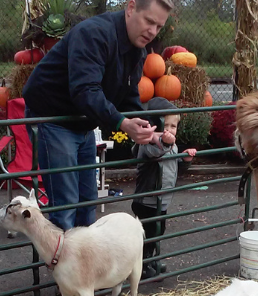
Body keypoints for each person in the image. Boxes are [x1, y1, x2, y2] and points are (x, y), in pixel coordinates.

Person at [23, 0, 174, 231]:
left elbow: (129, 97)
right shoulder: (94, 34)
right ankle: (60, 267)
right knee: (64, 206)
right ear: (131, 8)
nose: (152, 32)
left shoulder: (137, 49)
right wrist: (121, 122)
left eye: (159, 27)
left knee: (87, 204)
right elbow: (85, 91)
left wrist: (147, 130)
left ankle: (84, 266)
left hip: (82, 122)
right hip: (52, 118)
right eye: (149, 21)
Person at [131, 97, 197, 279]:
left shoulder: (173, 145)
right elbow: (155, 153)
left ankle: (152, 260)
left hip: (163, 201)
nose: (168, 130)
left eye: (172, 127)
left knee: (158, 232)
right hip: (147, 201)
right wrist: (165, 143)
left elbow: (173, 167)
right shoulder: (146, 144)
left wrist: (185, 159)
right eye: (164, 126)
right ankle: (140, 265)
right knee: (146, 235)